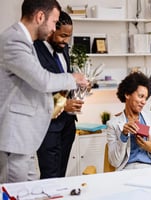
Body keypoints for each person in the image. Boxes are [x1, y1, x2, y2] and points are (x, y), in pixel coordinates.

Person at [0, 0, 88, 183]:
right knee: (16, 191)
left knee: (34, 188)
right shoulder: (14, 40)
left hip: (27, 136)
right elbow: (42, 80)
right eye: (54, 22)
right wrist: (74, 78)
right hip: (15, 135)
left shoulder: (26, 41)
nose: (54, 27)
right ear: (40, 17)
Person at [34, 11, 83, 179]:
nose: (65, 41)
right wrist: (63, 104)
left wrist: (79, 87)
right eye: (63, 35)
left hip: (68, 125)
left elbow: (65, 81)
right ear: (52, 29)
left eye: (69, 36)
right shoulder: (35, 51)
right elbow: (36, 91)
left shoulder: (64, 48)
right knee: (50, 177)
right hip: (48, 127)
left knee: (61, 176)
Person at [106, 72, 151, 170]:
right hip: (127, 170)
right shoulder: (113, 124)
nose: (144, 102)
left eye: (145, 98)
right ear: (127, 94)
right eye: (141, 96)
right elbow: (114, 161)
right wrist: (123, 135)